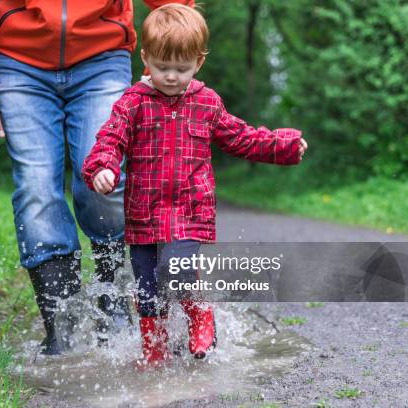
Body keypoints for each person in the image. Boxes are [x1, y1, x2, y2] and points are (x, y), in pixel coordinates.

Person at [0, 0, 196, 355]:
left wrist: (173, 57)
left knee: (100, 176)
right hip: (19, 63)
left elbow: (173, 5)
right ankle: (59, 325)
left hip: (102, 57)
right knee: (36, 185)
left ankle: (110, 295)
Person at [82, 4, 308, 365]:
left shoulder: (207, 103)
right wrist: (101, 167)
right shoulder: (132, 104)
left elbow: (243, 138)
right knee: (147, 286)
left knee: (177, 267)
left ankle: (200, 316)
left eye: (182, 68)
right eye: (162, 67)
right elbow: (109, 139)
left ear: (199, 63)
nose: (171, 76)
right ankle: (154, 350)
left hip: (188, 211)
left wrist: (284, 145)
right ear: (145, 58)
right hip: (143, 215)